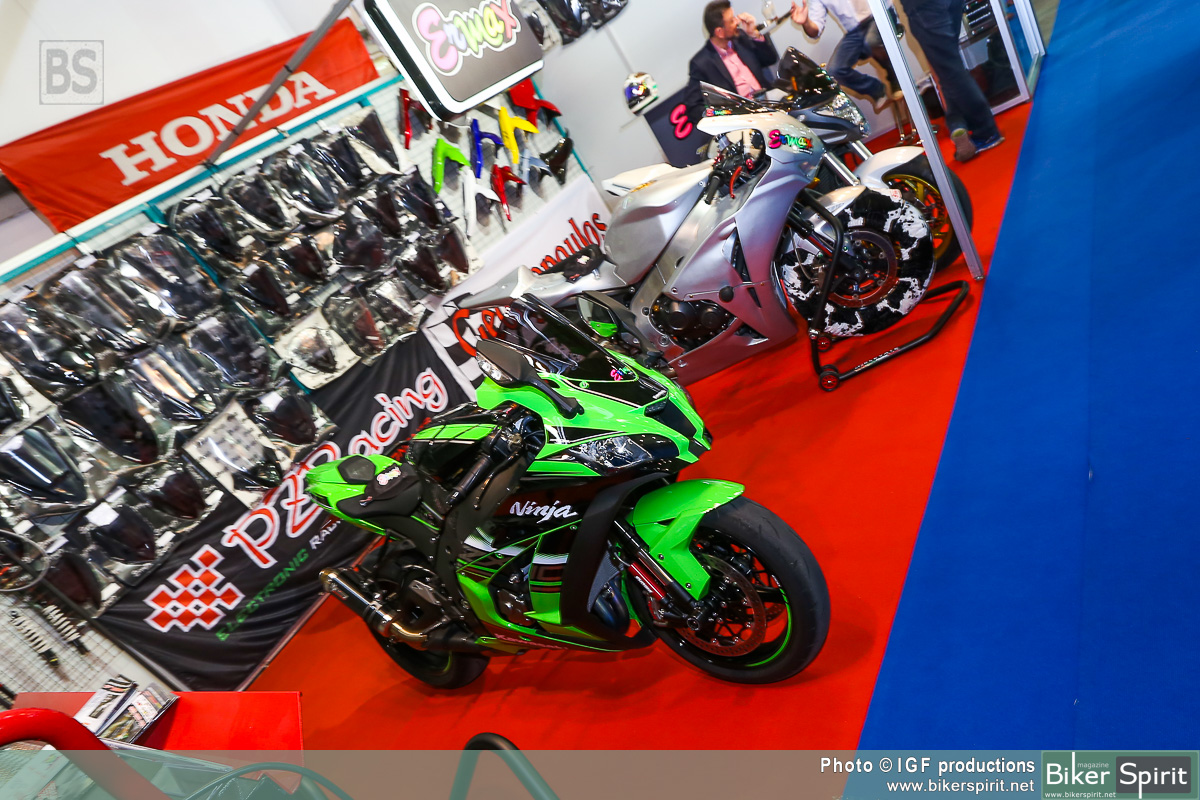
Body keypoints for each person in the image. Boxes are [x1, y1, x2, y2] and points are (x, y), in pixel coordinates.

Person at [896, 0, 1003, 161]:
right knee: (947, 67)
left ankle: (986, 131)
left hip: (924, 7)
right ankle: (957, 123)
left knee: (950, 70)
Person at [789, 0, 904, 114]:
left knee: (871, 42)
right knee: (835, 71)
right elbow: (815, 31)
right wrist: (806, 22)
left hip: (879, 14)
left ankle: (895, 79)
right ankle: (877, 90)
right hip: (856, 31)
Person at [687, 1, 780, 116]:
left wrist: (754, 34)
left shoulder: (741, 37)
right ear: (719, 32)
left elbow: (771, 59)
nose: (737, 22)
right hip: (743, 116)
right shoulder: (701, 63)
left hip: (768, 101)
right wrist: (721, 114)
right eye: (731, 20)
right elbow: (693, 107)